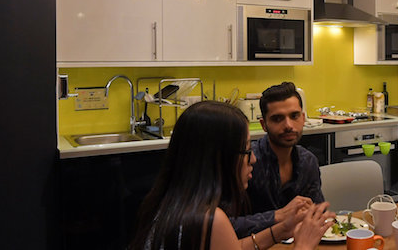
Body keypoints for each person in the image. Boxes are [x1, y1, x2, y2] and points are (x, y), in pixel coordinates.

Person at [129, 100, 332, 250]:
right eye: (245, 150)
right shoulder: (210, 220)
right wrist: (303, 246)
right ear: (218, 158)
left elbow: (229, 246)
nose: (252, 159)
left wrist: (279, 230)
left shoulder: (171, 205)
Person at [232, 82, 325, 238]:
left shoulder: (308, 161)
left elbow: (317, 214)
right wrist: (277, 216)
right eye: (277, 119)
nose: (288, 125)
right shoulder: (247, 163)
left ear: (303, 118)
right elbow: (224, 226)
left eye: (294, 116)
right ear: (264, 125)